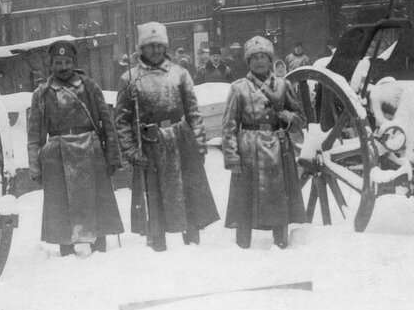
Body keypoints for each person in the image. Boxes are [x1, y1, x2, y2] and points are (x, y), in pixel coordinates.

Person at [115, 22, 219, 251]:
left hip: (181, 140)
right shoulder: (129, 78)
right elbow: (121, 121)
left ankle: (193, 245)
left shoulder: (180, 74)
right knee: (156, 200)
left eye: (159, 45)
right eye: (150, 46)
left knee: (189, 195)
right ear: (141, 48)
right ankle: (159, 248)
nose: (155, 50)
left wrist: (200, 144)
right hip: (150, 143)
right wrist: (131, 151)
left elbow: (193, 112)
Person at [27, 40, 124, 256]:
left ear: (74, 62)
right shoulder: (42, 94)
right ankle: (66, 251)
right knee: (62, 204)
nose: (63, 67)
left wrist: (113, 156)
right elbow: (34, 135)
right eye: (58, 62)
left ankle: (99, 248)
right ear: (50, 64)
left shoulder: (89, 87)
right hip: (57, 153)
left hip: (90, 149)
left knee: (97, 200)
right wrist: (36, 167)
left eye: (68, 62)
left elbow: (107, 123)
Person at [221, 36, 307, 249]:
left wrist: (288, 116)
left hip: (278, 148)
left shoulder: (284, 85)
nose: (259, 62)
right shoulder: (239, 88)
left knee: (279, 196)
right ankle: (243, 245)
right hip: (248, 148)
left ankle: (281, 242)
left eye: (263, 57)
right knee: (245, 199)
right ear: (248, 62)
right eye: (254, 58)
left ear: (270, 60)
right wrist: (232, 157)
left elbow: (300, 119)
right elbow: (229, 126)